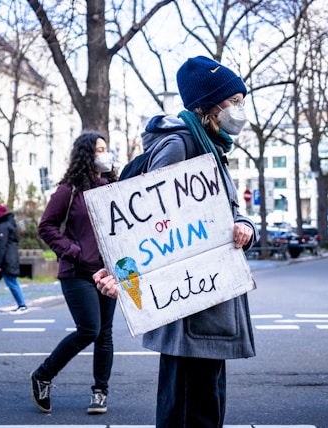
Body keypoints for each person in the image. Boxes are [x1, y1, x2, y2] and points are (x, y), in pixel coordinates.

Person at [95, 56, 257, 428]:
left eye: (240, 100)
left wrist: (246, 227)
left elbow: (231, 211)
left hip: (209, 298)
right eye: (233, 101)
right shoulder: (181, 145)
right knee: (188, 408)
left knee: (204, 404)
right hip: (188, 304)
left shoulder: (213, 147)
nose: (239, 109)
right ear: (208, 105)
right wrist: (122, 270)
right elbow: (149, 220)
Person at [30, 131, 118, 415]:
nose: (104, 154)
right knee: (89, 329)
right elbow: (46, 226)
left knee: (105, 333)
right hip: (77, 272)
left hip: (108, 273)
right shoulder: (68, 191)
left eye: (106, 149)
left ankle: (100, 392)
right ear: (85, 155)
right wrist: (73, 251)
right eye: (97, 150)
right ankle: (43, 375)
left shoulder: (112, 187)